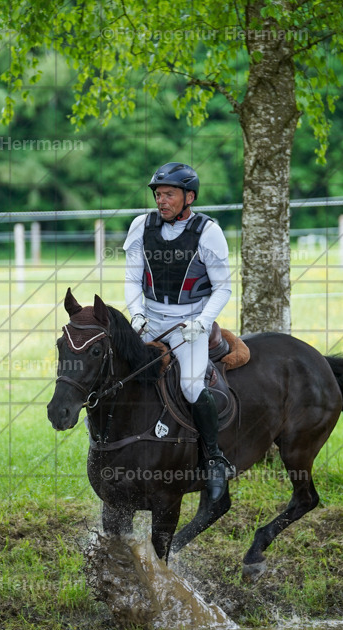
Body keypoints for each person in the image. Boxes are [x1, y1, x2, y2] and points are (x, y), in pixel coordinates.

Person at [124, 161, 234, 502]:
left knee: (189, 386)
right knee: (119, 373)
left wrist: (202, 322)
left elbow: (223, 287)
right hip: (150, 319)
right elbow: (132, 279)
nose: (161, 200)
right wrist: (137, 315)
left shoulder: (208, 231)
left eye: (169, 194)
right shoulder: (141, 226)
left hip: (190, 323)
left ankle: (214, 458)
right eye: (158, 195)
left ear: (189, 196)